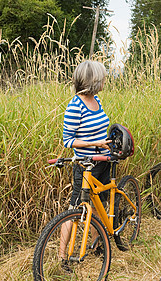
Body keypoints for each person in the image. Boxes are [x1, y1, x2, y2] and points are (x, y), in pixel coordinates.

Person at [59, 60, 112, 268]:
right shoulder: (75, 106)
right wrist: (94, 143)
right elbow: (68, 140)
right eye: (102, 78)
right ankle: (62, 256)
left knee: (98, 205)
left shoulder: (96, 100)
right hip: (85, 165)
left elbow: (100, 128)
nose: (104, 81)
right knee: (74, 209)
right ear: (93, 80)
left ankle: (96, 245)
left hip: (103, 161)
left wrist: (106, 145)